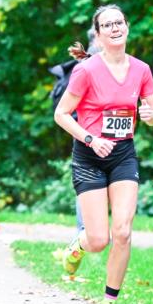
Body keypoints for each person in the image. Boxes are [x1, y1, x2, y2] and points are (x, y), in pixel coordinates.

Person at [53, 5, 153, 304]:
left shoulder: (141, 70)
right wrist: (89, 139)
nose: (115, 28)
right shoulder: (86, 71)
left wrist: (152, 116)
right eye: (107, 25)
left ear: (127, 27)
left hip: (123, 155)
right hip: (89, 156)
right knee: (99, 240)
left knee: (123, 231)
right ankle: (79, 245)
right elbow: (61, 115)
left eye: (119, 22)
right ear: (98, 35)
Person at [49, 28, 101, 236]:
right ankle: (85, 231)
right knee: (89, 182)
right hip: (88, 131)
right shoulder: (92, 62)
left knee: (88, 182)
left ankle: (86, 230)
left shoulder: (88, 60)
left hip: (83, 130)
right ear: (97, 36)